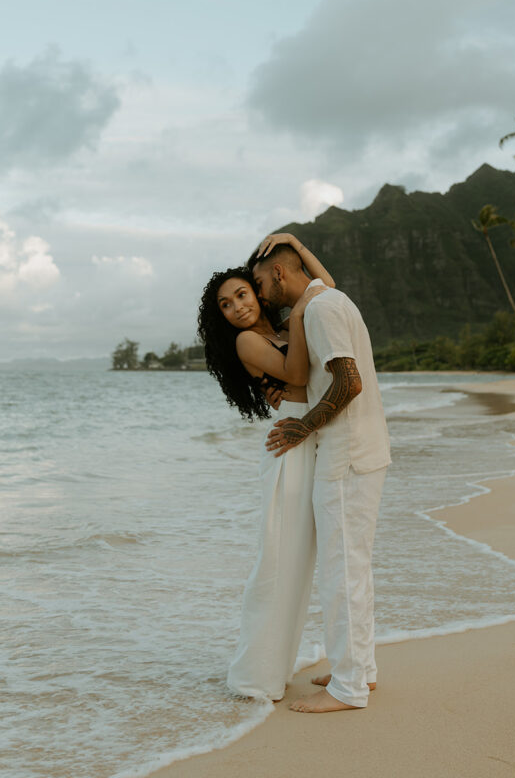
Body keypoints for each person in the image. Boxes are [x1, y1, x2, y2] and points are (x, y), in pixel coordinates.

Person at [248, 241, 391, 714]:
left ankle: (347, 688)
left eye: (262, 283)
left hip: (345, 456)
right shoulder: (330, 300)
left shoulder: (320, 311)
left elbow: (348, 381)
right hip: (361, 451)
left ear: (281, 274)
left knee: (341, 572)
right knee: (353, 568)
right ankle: (360, 671)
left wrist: (302, 425)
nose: (261, 293)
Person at [197, 235, 333, 702]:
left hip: (310, 435)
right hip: (287, 446)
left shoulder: (280, 324)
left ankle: (278, 660)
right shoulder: (247, 343)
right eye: (226, 304)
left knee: (302, 560)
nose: (236, 306)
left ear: (257, 291)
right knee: (277, 560)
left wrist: (294, 241)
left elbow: (325, 287)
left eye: (241, 294)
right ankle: (257, 673)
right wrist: (298, 314)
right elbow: (296, 377)